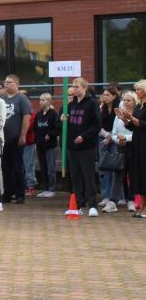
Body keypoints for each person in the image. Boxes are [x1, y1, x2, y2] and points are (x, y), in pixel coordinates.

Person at [61, 78, 101, 217]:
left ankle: (92, 205)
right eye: (73, 86)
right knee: (75, 176)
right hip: (72, 147)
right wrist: (63, 120)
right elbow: (66, 125)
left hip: (86, 147)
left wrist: (84, 136)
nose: (74, 89)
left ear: (84, 88)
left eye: (77, 86)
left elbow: (97, 125)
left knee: (88, 176)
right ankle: (77, 204)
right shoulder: (71, 105)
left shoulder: (92, 103)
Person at [115, 80, 146, 218]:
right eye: (136, 90)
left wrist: (131, 117)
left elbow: (143, 124)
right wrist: (124, 119)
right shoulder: (139, 106)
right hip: (137, 144)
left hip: (144, 144)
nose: (137, 92)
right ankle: (142, 207)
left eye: (139, 90)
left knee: (144, 175)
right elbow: (134, 127)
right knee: (139, 175)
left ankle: (145, 209)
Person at [1, 75, 31, 204]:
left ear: (17, 84)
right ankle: (7, 193)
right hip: (3, 139)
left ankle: (20, 194)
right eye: (5, 82)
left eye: (9, 82)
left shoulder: (21, 98)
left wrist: (23, 135)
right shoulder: (2, 99)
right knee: (5, 167)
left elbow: (26, 117)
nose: (6, 84)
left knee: (17, 167)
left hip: (15, 138)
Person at [98, 86, 122, 208]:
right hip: (103, 137)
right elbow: (97, 124)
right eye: (104, 95)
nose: (105, 97)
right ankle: (105, 196)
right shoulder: (101, 107)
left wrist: (111, 136)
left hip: (115, 138)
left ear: (114, 96)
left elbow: (119, 124)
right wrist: (106, 135)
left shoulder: (119, 107)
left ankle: (116, 196)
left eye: (108, 95)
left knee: (115, 166)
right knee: (103, 167)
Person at [33, 93, 59, 198]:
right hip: (40, 145)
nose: (40, 102)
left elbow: (57, 128)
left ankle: (52, 189)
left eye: (43, 100)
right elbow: (35, 128)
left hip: (50, 145)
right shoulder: (38, 115)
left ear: (49, 101)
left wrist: (50, 134)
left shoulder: (53, 114)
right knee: (43, 168)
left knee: (50, 168)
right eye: (40, 100)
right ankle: (46, 188)